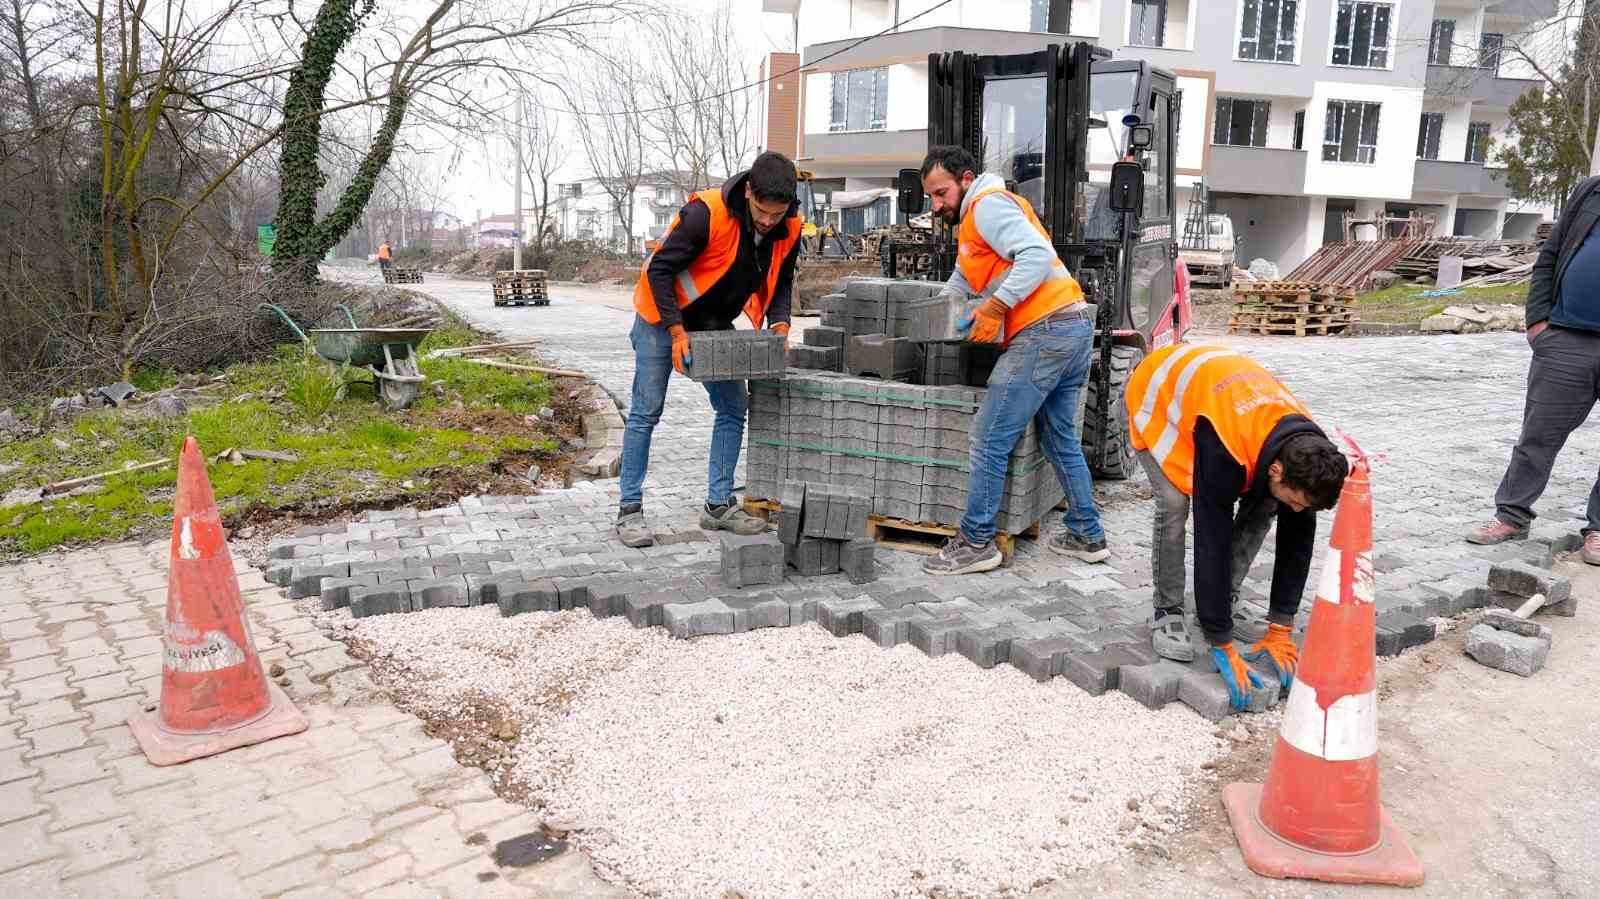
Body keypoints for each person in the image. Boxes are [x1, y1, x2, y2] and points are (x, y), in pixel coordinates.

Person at [915, 145, 1109, 576]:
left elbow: (1037, 256)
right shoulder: (980, 217)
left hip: (1044, 331)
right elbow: (966, 274)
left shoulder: (986, 207)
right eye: (931, 196)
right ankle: (1086, 532)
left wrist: (997, 306)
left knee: (988, 437)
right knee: (1059, 437)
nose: (936, 204)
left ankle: (977, 541)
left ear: (966, 179)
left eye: (941, 193)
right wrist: (941, 311)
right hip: (1073, 326)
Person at [1125, 343, 1349, 710]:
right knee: (1176, 502)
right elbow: (1210, 538)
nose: (1297, 508)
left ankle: (1222, 596)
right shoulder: (1225, 447)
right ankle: (1168, 610)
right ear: (1277, 469)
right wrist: (1221, 641)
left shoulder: (1309, 453)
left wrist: (1281, 626)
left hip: (1219, 404)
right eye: (1296, 499)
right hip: (1159, 399)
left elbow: (1298, 537)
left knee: (1268, 504)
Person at [615, 152, 802, 548]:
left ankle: (718, 506)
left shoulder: (789, 225)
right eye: (762, 212)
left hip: (714, 322)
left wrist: (781, 324)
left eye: (777, 213)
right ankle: (629, 511)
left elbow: (783, 277)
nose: (769, 222)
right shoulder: (706, 214)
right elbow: (660, 270)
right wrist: (677, 332)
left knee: (734, 407)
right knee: (646, 411)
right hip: (660, 319)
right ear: (749, 191)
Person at [1468, 176, 1600, 564]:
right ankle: (1511, 515)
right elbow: (1551, 255)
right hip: (1566, 338)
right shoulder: (1591, 191)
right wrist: (1537, 322)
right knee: (1538, 435)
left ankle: (1598, 530)